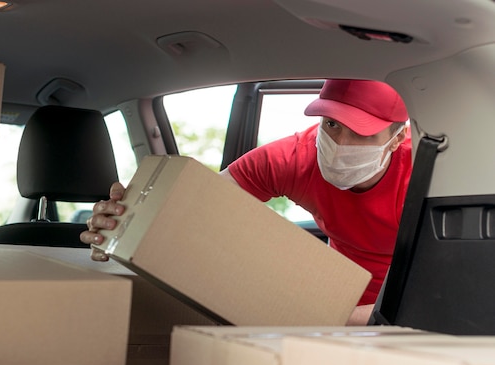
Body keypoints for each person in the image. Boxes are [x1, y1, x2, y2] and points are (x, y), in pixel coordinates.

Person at [80, 79, 411, 325]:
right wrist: (121, 223)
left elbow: (440, 285)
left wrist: (337, 319)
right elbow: (189, 209)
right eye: (332, 124)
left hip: (411, 301)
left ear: (397, 137)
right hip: (338, 300)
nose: (340, 143)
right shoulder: (292, 159)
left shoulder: (425, 174)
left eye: (362, 132)